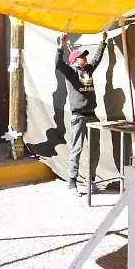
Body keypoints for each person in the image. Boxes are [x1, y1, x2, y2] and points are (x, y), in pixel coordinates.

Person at [56, 32, 107, 196]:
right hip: (78, 116)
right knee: (76, 149)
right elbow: (58, 64)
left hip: (92, 116)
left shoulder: (88, 70)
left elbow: (97, 58)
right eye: (81, 57)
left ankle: (91, 180)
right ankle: (72, 183)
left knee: (94, 150)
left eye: (85, 56)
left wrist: (103, 41)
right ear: (74, 61)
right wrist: (61, 46)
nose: (85, 58)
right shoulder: (71, 72)